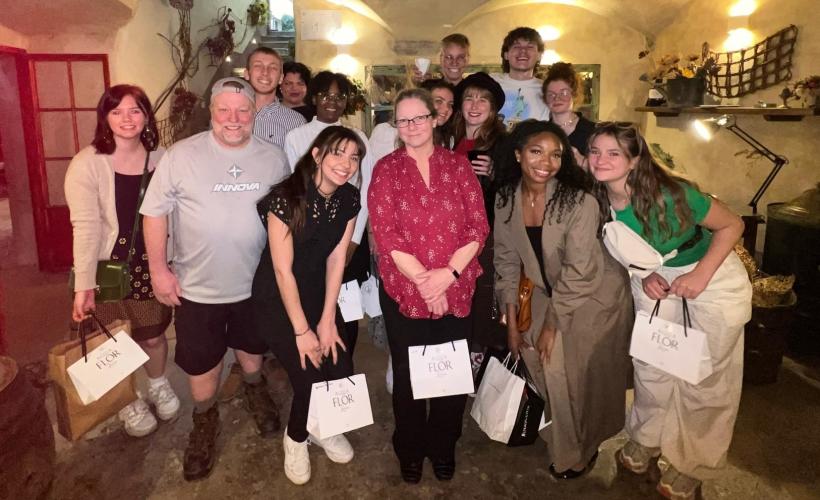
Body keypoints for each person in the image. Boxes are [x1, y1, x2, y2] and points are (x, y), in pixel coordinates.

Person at [588, 122, 751, 500]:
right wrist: (641, 274)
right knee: (652, 365)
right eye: (596, 151)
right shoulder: (597, 199)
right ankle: (646, 439)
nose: (601, 160)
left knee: (706, 377)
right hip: (655, 282)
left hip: (710, 274)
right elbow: (623, 251)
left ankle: (695, 462)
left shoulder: (672, 193)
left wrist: (700, 275)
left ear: (634, 160)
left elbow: (732, 225)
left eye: (614, 153)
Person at [140, 77, 289, 481]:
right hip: (197, 288)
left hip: (256, 285)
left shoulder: (274, 157)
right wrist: (158, 270)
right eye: (224, 110)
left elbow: (286, 216)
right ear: (212, 111)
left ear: (254, 113)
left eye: (243, 111)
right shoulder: (181, 155)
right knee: (202, 361)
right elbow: (153, 212)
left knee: (252, 346)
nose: (233, 119)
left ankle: (255, 388)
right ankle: (204, 422)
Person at [493, 119, 633, 479]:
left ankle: (576, 451)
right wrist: (510, 320)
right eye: (537, 151)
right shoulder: (507, 197)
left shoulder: (577, 200)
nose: (547, 161)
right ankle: (564, 430)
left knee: (568, 370)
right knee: (529, 352)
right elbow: (506, 261)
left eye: (556, 154)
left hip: (594, 296)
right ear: (519, 154)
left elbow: (580, 272)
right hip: (545, 290)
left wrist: (552, 326)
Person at [368, 88, 489, 483]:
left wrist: (447, 277)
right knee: (407, 375)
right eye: (404, 120)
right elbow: (386, 235)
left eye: (419, 117)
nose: (412, 126)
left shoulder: (459, 166)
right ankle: (410, 446)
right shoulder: (385, 169)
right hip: (406, 288)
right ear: (396, 127)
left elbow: (478, 226)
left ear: (434, 119)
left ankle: (443, 445)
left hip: (456, 285)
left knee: (450, 374)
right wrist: (425, 283)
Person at [65, 84, 180, 438]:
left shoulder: (163, 158)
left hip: (153, 264)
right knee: (113, 341)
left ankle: (158, 383)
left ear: (146, 115)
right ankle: (125, 399)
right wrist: (83, 285)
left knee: (153, 336)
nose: (126, 119)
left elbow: (180, 214)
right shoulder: (87, 163)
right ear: (105, 117)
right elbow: (84, 227)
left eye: (134, 110)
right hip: (108, 270)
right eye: (117, 111)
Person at [251, 126, 363, 485]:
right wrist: (302, 330)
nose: (346, 164)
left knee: (339, 361)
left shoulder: (349, 199)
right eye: (337, 153)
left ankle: (322, 427)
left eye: (354, 157)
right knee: (310, 374)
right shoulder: (286, 198)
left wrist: (328, 318)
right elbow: (283, 272)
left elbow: (336, 260)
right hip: (278, 299)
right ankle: (296, 438)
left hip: (318, 294)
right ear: (316, 154)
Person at [284, 71, 374, 360]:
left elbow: (365, 187)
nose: (332, 102)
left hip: (350, 241)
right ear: (314, 98)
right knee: (312, 301)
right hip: (311, 240)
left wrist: (354, 241)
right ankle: (315, 358)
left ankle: (342, 362)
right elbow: (296, 188)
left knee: (346, 310)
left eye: (339, 96)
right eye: (325, 95)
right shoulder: (297, 137)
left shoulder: (358, 137)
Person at [451, 72, 508, 360]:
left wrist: (495, 174)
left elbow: (517, 188)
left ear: (493, 108)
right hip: (452, 233)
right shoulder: (453, 138)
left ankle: (479, 358)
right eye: (469, 98)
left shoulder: (503, 143)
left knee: (483, 296)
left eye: (483, 99)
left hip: (485, 234)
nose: (475, 105)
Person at [244, 47, 306, 148]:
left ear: (281, 78)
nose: (265, 72)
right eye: (258, 66)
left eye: (273, 68)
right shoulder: (228, 115)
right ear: (247, 74)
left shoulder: (296, 123)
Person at [491, 27, 550, 128]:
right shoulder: (491, 83)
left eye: (530, 47)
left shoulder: (547, 89)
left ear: (539, 55)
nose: (523, 51)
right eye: (516, 47)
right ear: (506, 55)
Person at [543, 61, 596, 168]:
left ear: (574, 94)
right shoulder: (541, 133)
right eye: (551, 94)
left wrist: (583, 162)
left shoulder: (593, 132)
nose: (557, 98)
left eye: (564, 93)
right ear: (545, 98)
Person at [419, 78, 455, 147]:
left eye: (450, 104)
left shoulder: (448, 139)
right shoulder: (400, 133)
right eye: (439, 101)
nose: (446, 108)